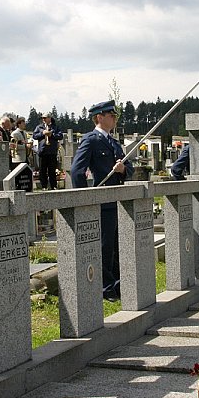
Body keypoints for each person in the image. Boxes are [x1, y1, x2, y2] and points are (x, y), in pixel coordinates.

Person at [70, 100, 133, 301]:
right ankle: (106, 288)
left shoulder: (114, 143)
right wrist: (85, 198)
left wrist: (123, 170)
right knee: (105, 247)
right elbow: (77, 171)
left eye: (115, 115)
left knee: (117, 246)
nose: (114, 118)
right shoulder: (91, 140)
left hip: (117, 201)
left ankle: (117, 285)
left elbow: (129, 169)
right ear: (99, 117)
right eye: (111, 115)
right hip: (102, 203)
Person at [33, 112, 63, 190]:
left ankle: (53, 186)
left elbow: (60, 136)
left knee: (52, 170)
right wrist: (42, 133)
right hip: (42, 151)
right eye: (42, 118)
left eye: (45, 118)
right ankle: (44, 186)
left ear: (49, 118)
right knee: (42, 170)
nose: (43, 119)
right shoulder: (39, 127)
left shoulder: (55, 127)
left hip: (52, 151)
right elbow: (34, 136)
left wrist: (51, 135)